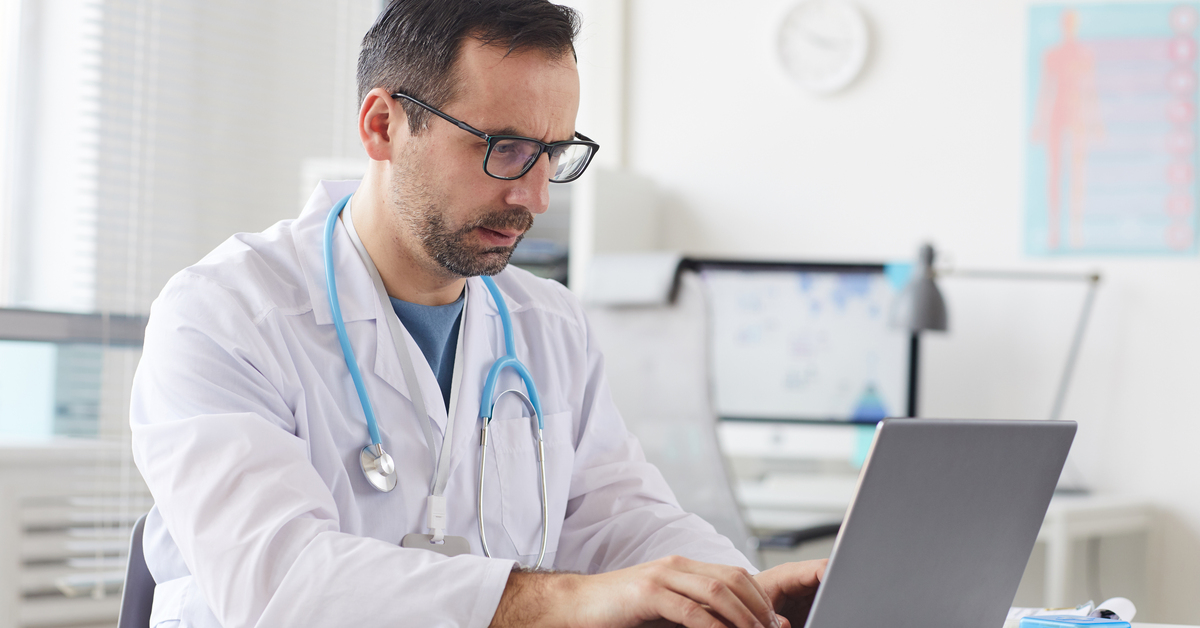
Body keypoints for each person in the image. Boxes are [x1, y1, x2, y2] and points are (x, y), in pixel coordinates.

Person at [129, 1, 825, 626]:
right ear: (383, 125)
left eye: (553, 154)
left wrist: (740, 593)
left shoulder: (550, 326)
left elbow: (620, 517)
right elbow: (281, 584)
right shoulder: (223, 315)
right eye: (505, 149)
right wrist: (573, 600)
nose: (535, 196)